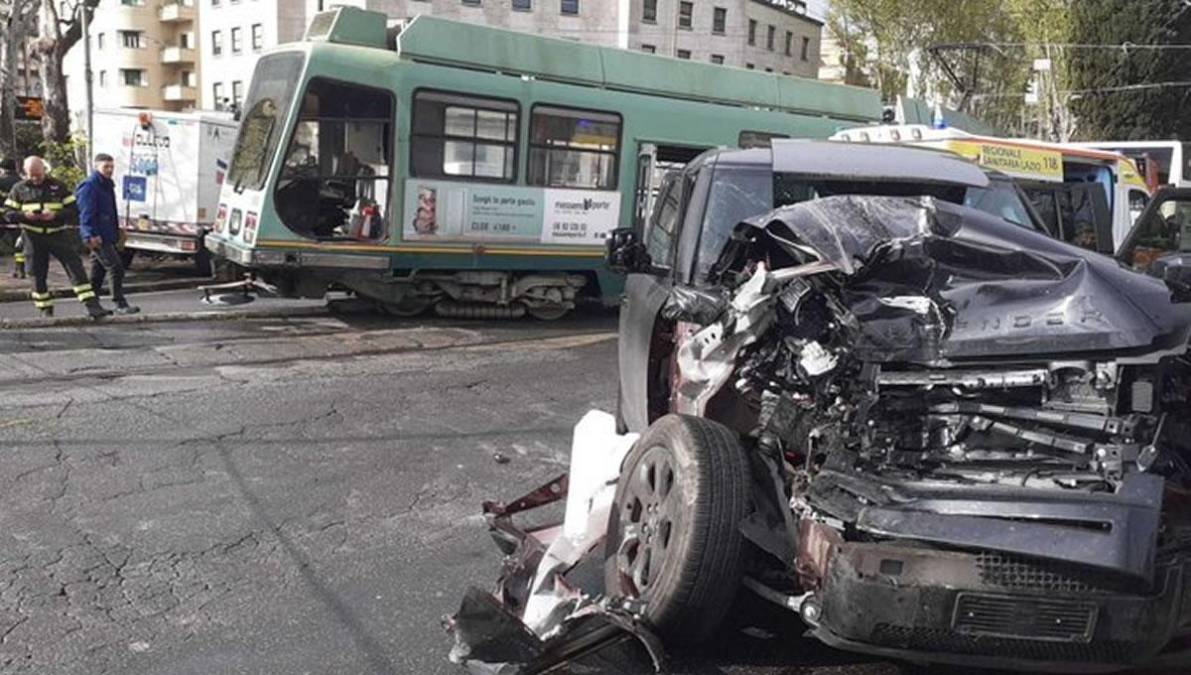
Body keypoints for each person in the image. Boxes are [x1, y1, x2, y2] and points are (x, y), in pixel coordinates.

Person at [3, 156, 111, 319]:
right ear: (25, 173)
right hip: (32, 237)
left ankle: (92, 307)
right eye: (32, 175)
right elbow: (7, 214)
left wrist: (55, 215)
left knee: (76, 269)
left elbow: (74, 210)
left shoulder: (58, 186)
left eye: (39, 174)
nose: (36, 179)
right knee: (36, 275)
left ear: (44, 170)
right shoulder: (19, 189)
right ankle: (45, 309)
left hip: (57, 235)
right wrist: (25, 216)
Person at [77, 153, 138, 314]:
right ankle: (120, 303)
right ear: (96, 167)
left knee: (98, 272)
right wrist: (90, 234)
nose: (110, 170)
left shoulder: (107, 185)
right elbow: (86, 213)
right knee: (116, 267)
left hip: (107, 234)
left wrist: (116, 231)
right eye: (106, 167)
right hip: (96, 236)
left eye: (111, 167)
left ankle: (92, 304)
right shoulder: (90, 186)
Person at [0, 158, 25, 278]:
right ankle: (20, 270)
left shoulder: (0, 181)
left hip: (1, 217)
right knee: (19, 242)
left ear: (2, 169)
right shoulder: (21, 181)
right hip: (17, 216)